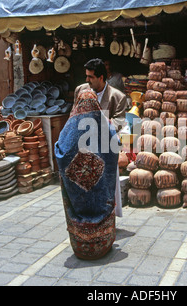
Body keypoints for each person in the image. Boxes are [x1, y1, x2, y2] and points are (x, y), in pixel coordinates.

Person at [55, 89, 120, 259]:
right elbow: (115, 144)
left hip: (78, 189)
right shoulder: (102, 122)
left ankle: (81, 245)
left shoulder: (71, 124)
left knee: (79, 202)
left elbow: (60, 149)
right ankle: (102, 243)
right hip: (100, 185)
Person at [74, 58, 127, 133]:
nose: (87, 80)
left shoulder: (118, 97)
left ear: (101, 78)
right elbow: (73, 117)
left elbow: (118, 123)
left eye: (91, 77)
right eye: (87, 76)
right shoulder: (80, 90)